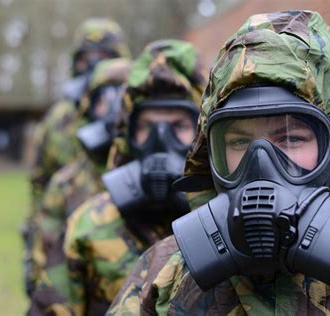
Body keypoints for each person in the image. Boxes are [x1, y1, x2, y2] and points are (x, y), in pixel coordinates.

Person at [107, 11, 330, 315]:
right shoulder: (163, 277)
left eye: (291, 139)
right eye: (238, 142)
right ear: (210, 157)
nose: (260, 165)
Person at [62, 39, 206, 315]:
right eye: (146, 127)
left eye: (179, 126)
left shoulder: (227, 228)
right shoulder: (88, 227)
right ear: (127, 136)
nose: (160, 141)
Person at [23, 17, 131, 297]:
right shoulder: (57, 122)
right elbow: (39, 183)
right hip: (64, 236)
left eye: (104, 57)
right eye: (86, 58)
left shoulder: (141, 116)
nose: (94, 66)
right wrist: (33, 249)